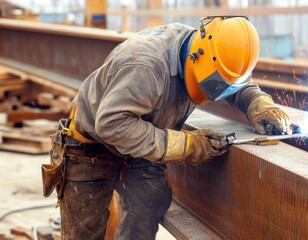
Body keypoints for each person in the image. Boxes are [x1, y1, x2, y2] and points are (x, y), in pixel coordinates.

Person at [43, 15, 292, 240]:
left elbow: (233, 81)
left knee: (151, 199)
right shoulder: (147, 67)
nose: (217, 90)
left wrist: (257, 103)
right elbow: (112, 125)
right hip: (90, 148)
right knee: (84, 232)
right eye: (214, 82)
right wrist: (185, 144)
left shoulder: (206, 49)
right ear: (197, 57)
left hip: (139, 140)